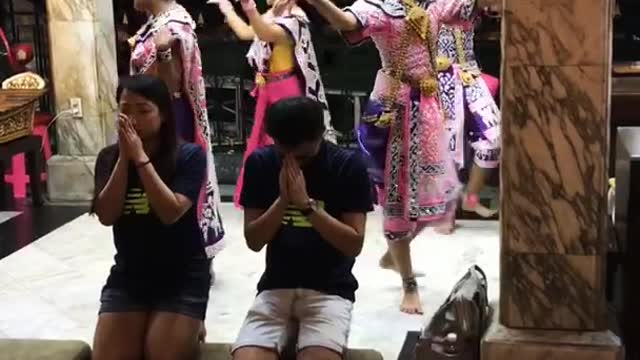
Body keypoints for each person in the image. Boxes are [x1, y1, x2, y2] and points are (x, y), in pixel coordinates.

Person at [304, 0, 472, 314]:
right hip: (395, 113)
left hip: (429, 109)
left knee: (444, 196)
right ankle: (409, 283)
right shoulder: (382, 9)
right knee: (396, 199)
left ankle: (395, 252)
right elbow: (345, 21)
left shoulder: (433, 7)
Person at [233, 97, 373, 360]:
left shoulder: (346, 166)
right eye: (284, 153)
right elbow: (254, 240)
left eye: (303, 157)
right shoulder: (261, 163)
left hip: (330, 290)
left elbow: (353, 244)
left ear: (322, 134)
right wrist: (283, 201)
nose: (293, 163)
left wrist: (306, 206)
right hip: (276, 286)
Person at [91, 75, 211, 360]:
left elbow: (170, 212)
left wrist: (141, 160)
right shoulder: (108, 158)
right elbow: (107, 215)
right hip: (130, 275)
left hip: (182, 276)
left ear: (164, 115)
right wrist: (124, 158)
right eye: (125, 109)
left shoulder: (189, 155)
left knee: (162, 352)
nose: (132, 119)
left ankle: (190, 323)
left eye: (143, 110)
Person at [209, 0, 336, 207]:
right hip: (269, 88)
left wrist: (249, 9)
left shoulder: (295, 18)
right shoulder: (273, 15)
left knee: (283, 144)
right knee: (266, 144)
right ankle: (270, 197)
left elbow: (266, 34)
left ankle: (292, 195)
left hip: (286, 89)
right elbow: (247, 33)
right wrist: (227, 8)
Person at [128, 0, 225, 258]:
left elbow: (171, 86)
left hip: (167, 117)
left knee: (170, 179)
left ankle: (184, 250)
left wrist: (162, 52)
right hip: (149, 112)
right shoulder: (157, 22)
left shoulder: (174, 25)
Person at [435, 4, 501, 232]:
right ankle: (447, 209)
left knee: (493, 139)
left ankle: (470, 198)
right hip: (437, 77)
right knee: (447, 146)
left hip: (469, 74)